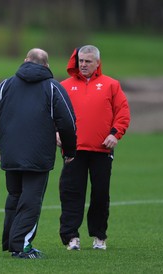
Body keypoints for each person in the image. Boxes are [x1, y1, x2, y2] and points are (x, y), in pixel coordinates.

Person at [0, 48, 77, 259]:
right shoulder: (53, 87)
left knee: (15, 196)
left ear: (26, 61)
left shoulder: (6, 84)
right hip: (38, 154)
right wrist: (69, 150)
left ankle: (11, 242)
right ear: (47, 66)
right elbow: (68, 122)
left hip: (11, 152)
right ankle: (21, 246)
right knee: (31, 200)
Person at [58, 45, 130, 251]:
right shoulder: (64, 86)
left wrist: (115, 134)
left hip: (102, 150)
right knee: (71, 194)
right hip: (74, 151)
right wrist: (56, 132)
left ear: (97, 63)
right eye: (81, 60)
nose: (83, 64)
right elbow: (54, 114)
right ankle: (71, 237)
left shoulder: (111, 85)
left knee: (100, 194)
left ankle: (99, 237)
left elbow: (123, 112)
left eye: (88, 61)